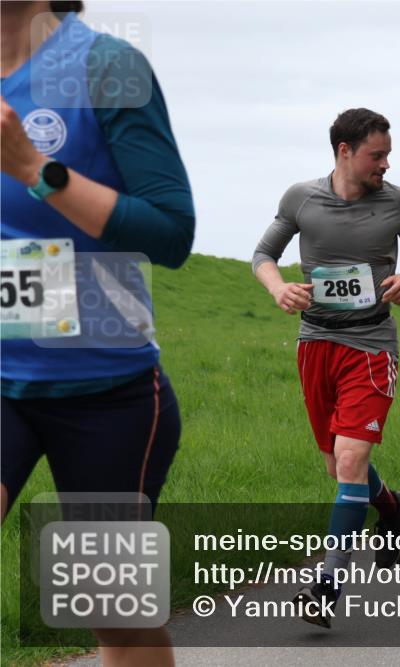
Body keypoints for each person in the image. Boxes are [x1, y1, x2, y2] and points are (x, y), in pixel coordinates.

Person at [1, 2, 194, 664]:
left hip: (106, 391)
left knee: (113, 615)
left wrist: (35, 169)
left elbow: (172, 233)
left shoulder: (106, 67)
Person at [252, 108, 400, 629]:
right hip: (316, 342)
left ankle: (325, 586)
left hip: (373, 345)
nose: (385, 164)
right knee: (339, 468)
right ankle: (394, 508)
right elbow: (264, 254)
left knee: (351, 461)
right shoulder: (301, 198)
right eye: (377, 155)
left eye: (387, 155)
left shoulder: (396, 201)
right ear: (344, 152)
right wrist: (278, 287)